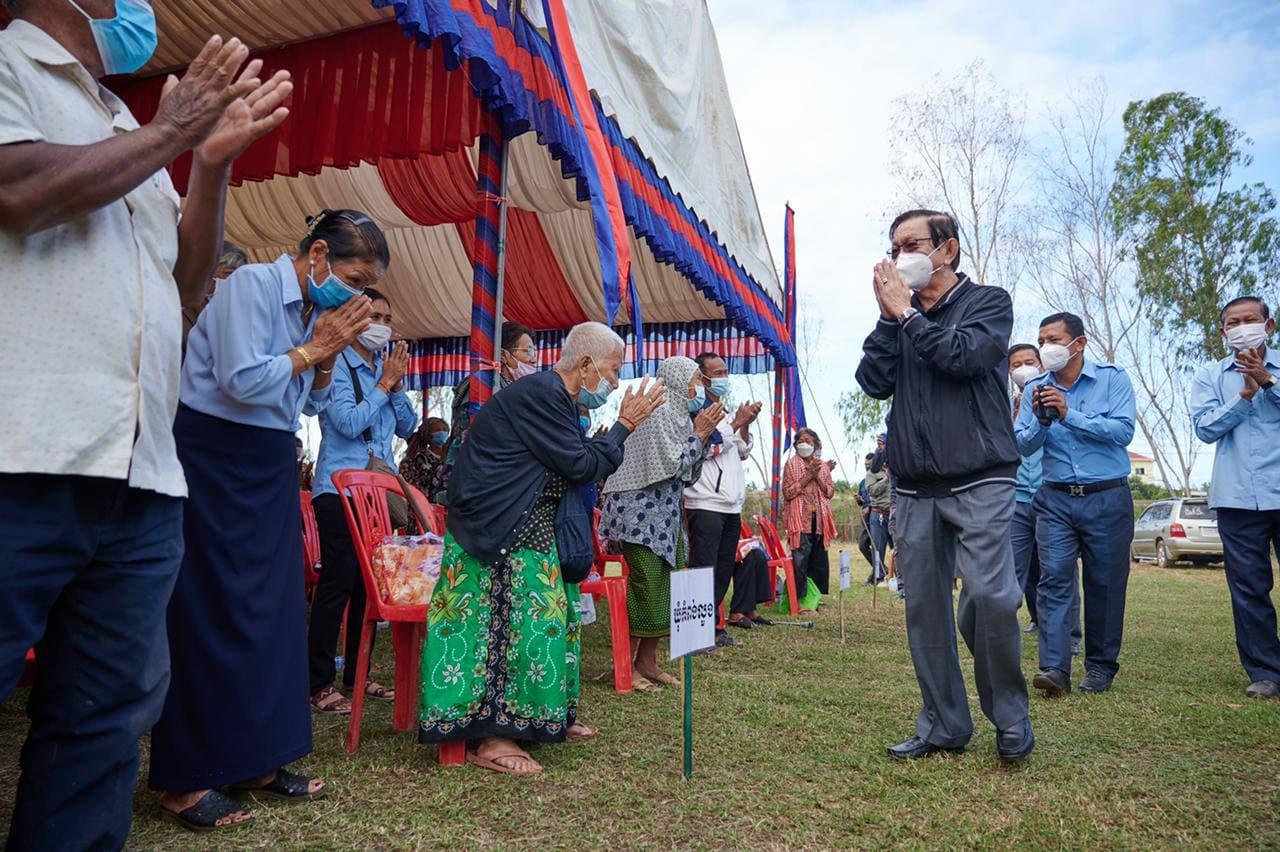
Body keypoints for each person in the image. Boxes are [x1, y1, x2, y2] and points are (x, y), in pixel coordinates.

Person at [0, 3, 292, 845]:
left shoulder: (122, 117)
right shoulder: (13, 70)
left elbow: (186, 285)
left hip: (141, 473)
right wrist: (170, 132)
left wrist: (206, 167)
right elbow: (17, 194)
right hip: (28, 447)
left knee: (104, 722)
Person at [148, 209, 384, 830]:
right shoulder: (253, 285)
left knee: (272, 608)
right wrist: (317, 347)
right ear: (316, 256)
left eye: (365, 287)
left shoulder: (311, 313)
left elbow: (298, 398)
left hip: (268, 457)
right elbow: (240, 379)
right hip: (214, 453)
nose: (357, 295)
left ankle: (256, 759)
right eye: (354, 278)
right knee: (212, 606)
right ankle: (188, 782)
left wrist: (324, 357)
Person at [420, 322, 666, 775]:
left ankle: (538, 716)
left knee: (547, 622)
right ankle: (489, 736)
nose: (613, 383)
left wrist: (614, 433)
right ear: (586, 363)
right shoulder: (543, 393)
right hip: (494, 531)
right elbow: (581, 465)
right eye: (612, 371)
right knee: (499, 629)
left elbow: (576, 462)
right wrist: (625, 426)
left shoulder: (557, 398)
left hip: (525, 525)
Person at [855, 208, 1032, 763]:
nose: (901, 253)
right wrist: (889, 320)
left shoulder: (988, 303)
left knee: (992, 598)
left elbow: (965, 357)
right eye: (894, 244)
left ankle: (1010, 716)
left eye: (913, 243)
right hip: (912, 486)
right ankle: (944, 725)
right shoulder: (899, 319)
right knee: (924, 610)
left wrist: (906, 316)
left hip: (981, 477)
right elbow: (872, 381)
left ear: (947, 249)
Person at [307, 288, 419, 715]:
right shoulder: (337, 365)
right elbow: (347, 423)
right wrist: (382, 384)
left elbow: (407, 428)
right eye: (375, 316)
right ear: (354, 320)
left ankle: (358, 673)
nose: (383, 326)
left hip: (376, 494)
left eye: (388, 318)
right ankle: (317, 682)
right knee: (337, 584)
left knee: (366, 587)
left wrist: (395, 386)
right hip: (338, 490)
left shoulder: (382, 369)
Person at [1016, 312, 1136, 697]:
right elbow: (1022, 444)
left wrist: (1070, 414)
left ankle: (1100, 667)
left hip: (1107, 496)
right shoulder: (1035, 387)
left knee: (1104, 583)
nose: (1046, 347)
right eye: (1042, 340)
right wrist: (1041, 420)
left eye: (1054, 339)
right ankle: (1054, 667)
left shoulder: (1112, 380)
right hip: (1055, 499)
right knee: (1053, 579)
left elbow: (1122, 431)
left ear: (1078, 343)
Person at [600, 356, 724, 688]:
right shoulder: (658, 412)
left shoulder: (682, 418)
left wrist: (701, 436)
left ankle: (647, 661)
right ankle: (623, 667)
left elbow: (687, 474)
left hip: (664, 515)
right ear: (678, 378)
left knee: (667, 587)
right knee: (646, 586)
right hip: (637, 513)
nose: (700, 387)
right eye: (697, 378)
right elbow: (671, 464)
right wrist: (698, 435)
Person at [1191, 296, 1280, 700]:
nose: (1242, 327)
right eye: (1232, 323)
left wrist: (1267, 381)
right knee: (1248, 589)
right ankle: (1265, 671)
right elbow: (1206, 428)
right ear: (1223, 331)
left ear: (1269, 324)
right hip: (1237, 499)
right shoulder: (1210, 377)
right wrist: (1243, 396)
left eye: (1250, 320)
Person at [684, 352, 763, 645]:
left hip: (731, 504)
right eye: (716, 372)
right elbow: (709, 447)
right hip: (704, 502)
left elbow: (741, 450)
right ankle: (696, 631)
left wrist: (745, 422)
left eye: (725, 371)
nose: (722, 377)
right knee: (704, 567)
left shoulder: (723, 409)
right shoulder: (695, 412)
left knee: (723, 568)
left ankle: (713, 626)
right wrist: (734, 424)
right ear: (702, 377)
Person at [1009, 344, 1082, 651]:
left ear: (1041, 365)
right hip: (1015, 499)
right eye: (1016, 364)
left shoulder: (1055, 396)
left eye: (1029, 361)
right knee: (1017, 569)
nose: (1023, 368)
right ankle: (1033, 622)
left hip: (1050, 496)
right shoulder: (1003, 405)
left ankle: (1071, 635)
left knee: (1057, 568)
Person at [782, 428, 837, 613]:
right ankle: (798, 601)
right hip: (799, 521)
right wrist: (807, 477)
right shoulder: (791, 465)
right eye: (801, 441)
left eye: (808, 441)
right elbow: (788, 493)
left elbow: (829, 492)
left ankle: (815, 599)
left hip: (819, 521)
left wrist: (817, 477)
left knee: (818, 561)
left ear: (816, 445)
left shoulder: (823, 466)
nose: (804, 444)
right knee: (800, 561)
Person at [449, 320, 537, 429]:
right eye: (528, 351)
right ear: (503, 355)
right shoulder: (483, 385)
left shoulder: (523, 390)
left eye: (534, 352)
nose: (534, 359)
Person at [182, 240, 248, 348]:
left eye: (241, 276)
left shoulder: (234, 322)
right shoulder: (181, 321)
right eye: (229, 274)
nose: (236, 281)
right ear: (204, 274)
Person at [400, 415, 452, 503]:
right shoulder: (416, 459)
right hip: (423, 506)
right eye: (438, 430)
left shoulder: (452, 459)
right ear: (428, 436)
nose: (443, 433)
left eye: (445, 430)